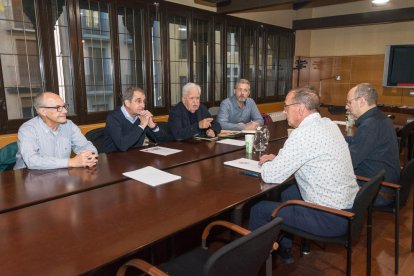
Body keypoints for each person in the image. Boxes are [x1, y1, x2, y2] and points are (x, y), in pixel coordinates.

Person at [248, 87, 358, 263]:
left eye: (286, 106)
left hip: (329, 217)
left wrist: (268, 162)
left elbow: (270, 175)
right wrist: (280, 159)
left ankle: (251, 265)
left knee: (258, 209)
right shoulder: (328, 124)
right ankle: (285, 247)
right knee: (287, 193)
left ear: (299, 108)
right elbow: (311, 155)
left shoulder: (303, 134)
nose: (284, 111)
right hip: (350, 209)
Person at [345, 83, 400, 206]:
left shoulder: (370, 125)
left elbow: (349, 162)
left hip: (379, 191)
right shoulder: (380, 118)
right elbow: (361, 144)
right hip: (385, 184)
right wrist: (341, 139)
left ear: (361, 101)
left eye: (349, 102)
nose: (346, 107)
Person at [15, 92, 98, 170]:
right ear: (43, 111)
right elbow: (32, 161)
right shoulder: (28, 129)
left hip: (60, 175)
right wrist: (71, 162)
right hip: (28, 177)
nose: (65, 111)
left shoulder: (69, 125)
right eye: (58, 108)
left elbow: (85, 146)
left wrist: (90, 158)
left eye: (64, 106)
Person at [102, 87, 170, 152]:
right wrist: (142, 126)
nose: (143, 105)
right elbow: (122, 145)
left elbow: (165, 141)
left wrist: (153, 126)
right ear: (127, 103)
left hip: (135, 157)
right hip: (113, 159)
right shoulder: (113, 118)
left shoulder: (141, 117)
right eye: (139, 101)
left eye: (143, 102)